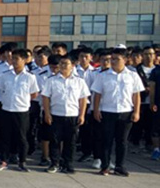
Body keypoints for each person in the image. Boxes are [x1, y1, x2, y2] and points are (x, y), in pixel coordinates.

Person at [91, 48, 145, 176]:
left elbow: (136, 95)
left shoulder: (132, 75)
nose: (113, 61)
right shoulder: (103, 75)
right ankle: (105, 166)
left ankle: (120, 166)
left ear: (125, 60)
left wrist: (136, 112)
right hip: (107, 111)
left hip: (125, 112)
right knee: (106, 140)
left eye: (117, 59)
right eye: (112, 59)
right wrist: (96, 110)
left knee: (122, 141)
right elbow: (97, 94)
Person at [41, 56, 90, 174]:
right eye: (61, 63)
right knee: (55, 141)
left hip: (72, 115)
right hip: (56, 114)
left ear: (72, 65)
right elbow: (45, 97)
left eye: (66, 63)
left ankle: (68, 164)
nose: (62, 66)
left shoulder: (79, 81)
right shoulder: (51, 80)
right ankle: (55, 163)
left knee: (71, 142)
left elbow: (83, 99)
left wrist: (82, 115)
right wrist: (47, 113)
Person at [0, 49, 39, 172]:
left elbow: (34, 94)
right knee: (5, 136)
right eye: (12, 58)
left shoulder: (30, 77)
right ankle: (4, 160)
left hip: (21, 111)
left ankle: (22, 161)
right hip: (6, 109)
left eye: (17, 59)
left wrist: (23, 100)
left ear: (24, 60)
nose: (14, 61)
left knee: (22, 137)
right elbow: (1, 90)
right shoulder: (5, 75)